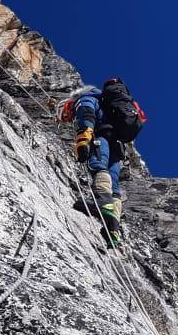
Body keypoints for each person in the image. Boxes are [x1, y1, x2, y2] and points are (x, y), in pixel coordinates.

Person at [61, 78, 146, 248]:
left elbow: (87, 115)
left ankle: (102, 199)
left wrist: (83, 140)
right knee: (113, 181)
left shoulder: (86, 98)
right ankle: (113, 228)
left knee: (97, 165)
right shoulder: (110, 104)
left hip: (101, 138)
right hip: (118, 146)